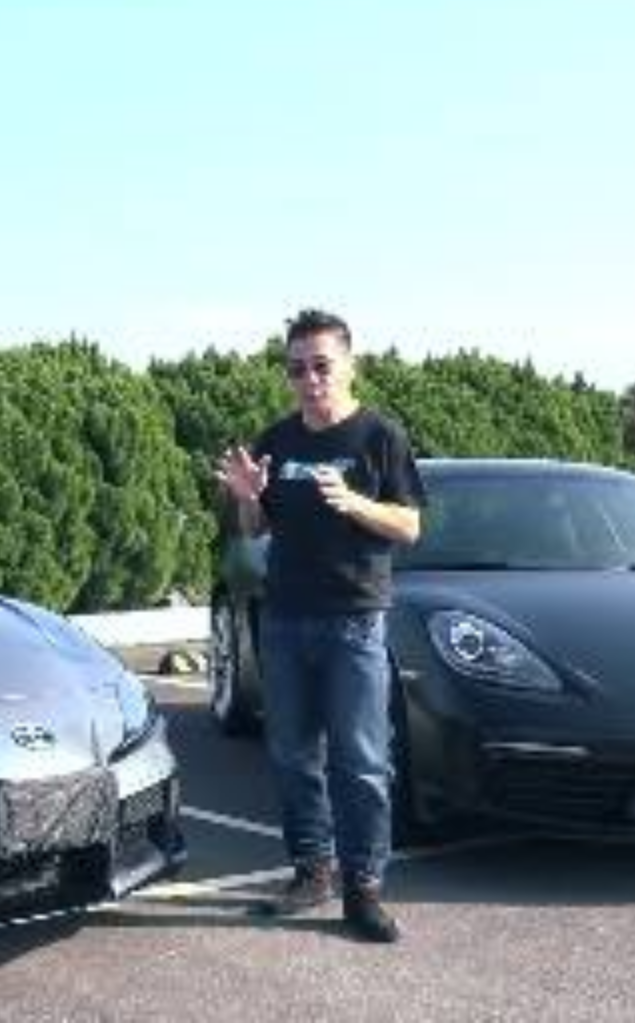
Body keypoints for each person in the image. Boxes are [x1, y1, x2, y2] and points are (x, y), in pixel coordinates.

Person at [215, 307, 425, 943]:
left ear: (349, 365)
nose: (309, 379)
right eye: (297, 369)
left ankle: (364, 889)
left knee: (362, 762)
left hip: (354, 622)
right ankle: (312, 871)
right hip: (285, 620)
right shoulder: (278, 440)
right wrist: (248, 499)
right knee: (291, 755)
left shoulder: (379, 437)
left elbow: (410, 526)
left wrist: (355, 502)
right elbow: (255, 529)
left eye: (321, 366)